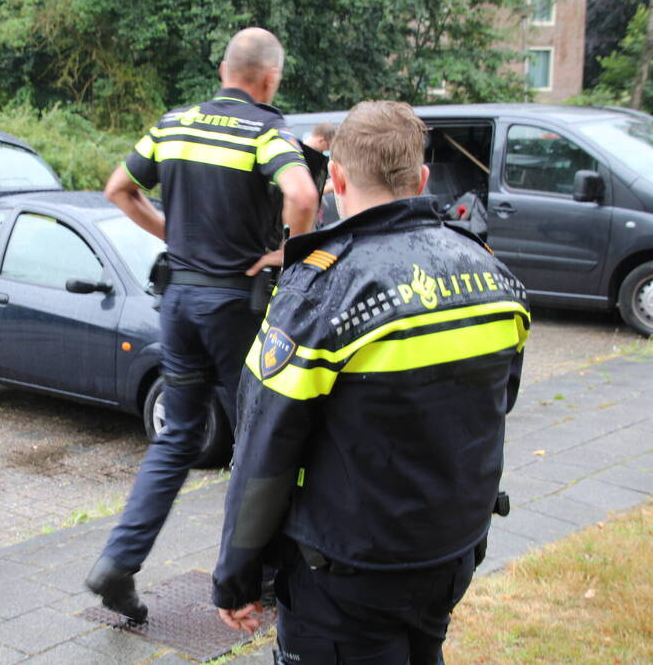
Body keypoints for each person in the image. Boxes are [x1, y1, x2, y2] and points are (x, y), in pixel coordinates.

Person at [212, 100, 531, 664]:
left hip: (347, 574)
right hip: (450, 554)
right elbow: (494, 404)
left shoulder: (319, 294)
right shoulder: (494, 275)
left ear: (334, 177)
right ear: (423, 178)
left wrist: (238, 576)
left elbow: (265, 449)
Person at [86, 27, 318, 623]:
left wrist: (178, 236)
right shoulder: (266, 130)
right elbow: (302, 195)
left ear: (223, 69)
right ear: (270, 78)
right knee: (259, 440)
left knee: (179, 437)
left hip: (178, 303)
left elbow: (119, 189)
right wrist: (284, 253)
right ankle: (251, 578)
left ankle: (117, 562)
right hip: (235, 309)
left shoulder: (173, 125)